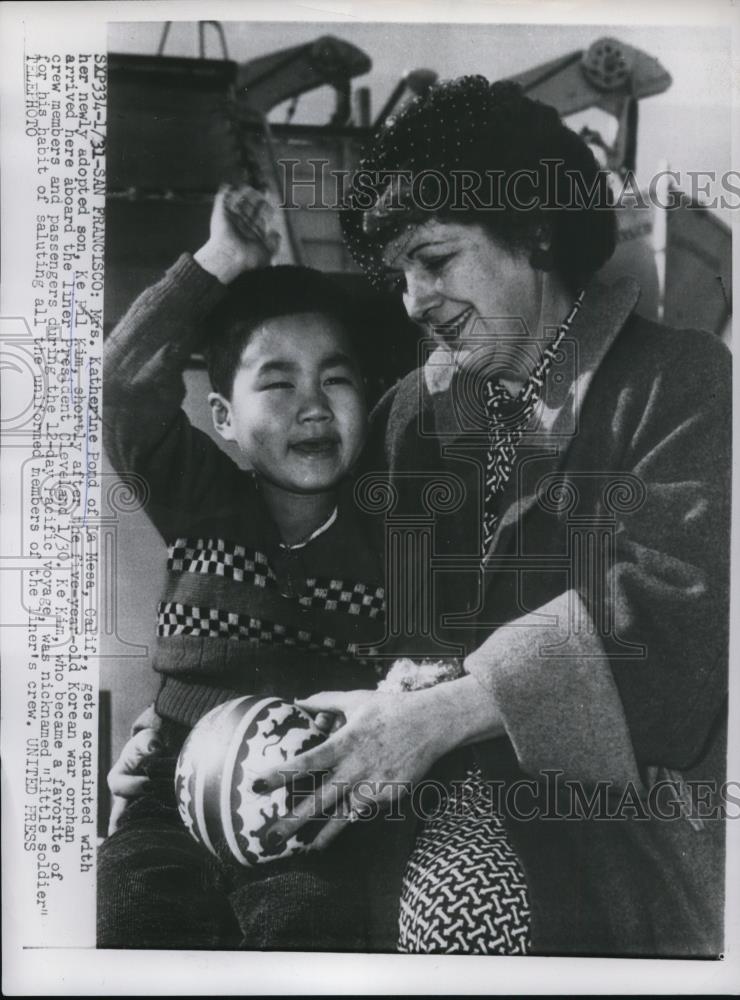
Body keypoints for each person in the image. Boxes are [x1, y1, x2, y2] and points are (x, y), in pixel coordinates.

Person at [245, 76, 731, 956]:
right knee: (269, 916)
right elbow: (341, 603)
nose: (411, 301)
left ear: (535, 231)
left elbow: (673, 635)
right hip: (412, 783)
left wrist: (444, 712)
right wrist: (186, 735)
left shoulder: (680, 383)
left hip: (609, 820)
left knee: (459, 917)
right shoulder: (407, 415)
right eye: (400, 275)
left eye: (434, 261)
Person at [98, 185, 392, 951]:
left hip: (314, 825)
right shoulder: (201, 500)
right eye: (277, 382)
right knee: (134, 923)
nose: (313, 405)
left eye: (336, 378)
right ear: (223, 418)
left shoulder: (391, 537)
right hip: (166, 801)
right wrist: (222, 259)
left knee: (310, 938)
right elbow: (119, 387)